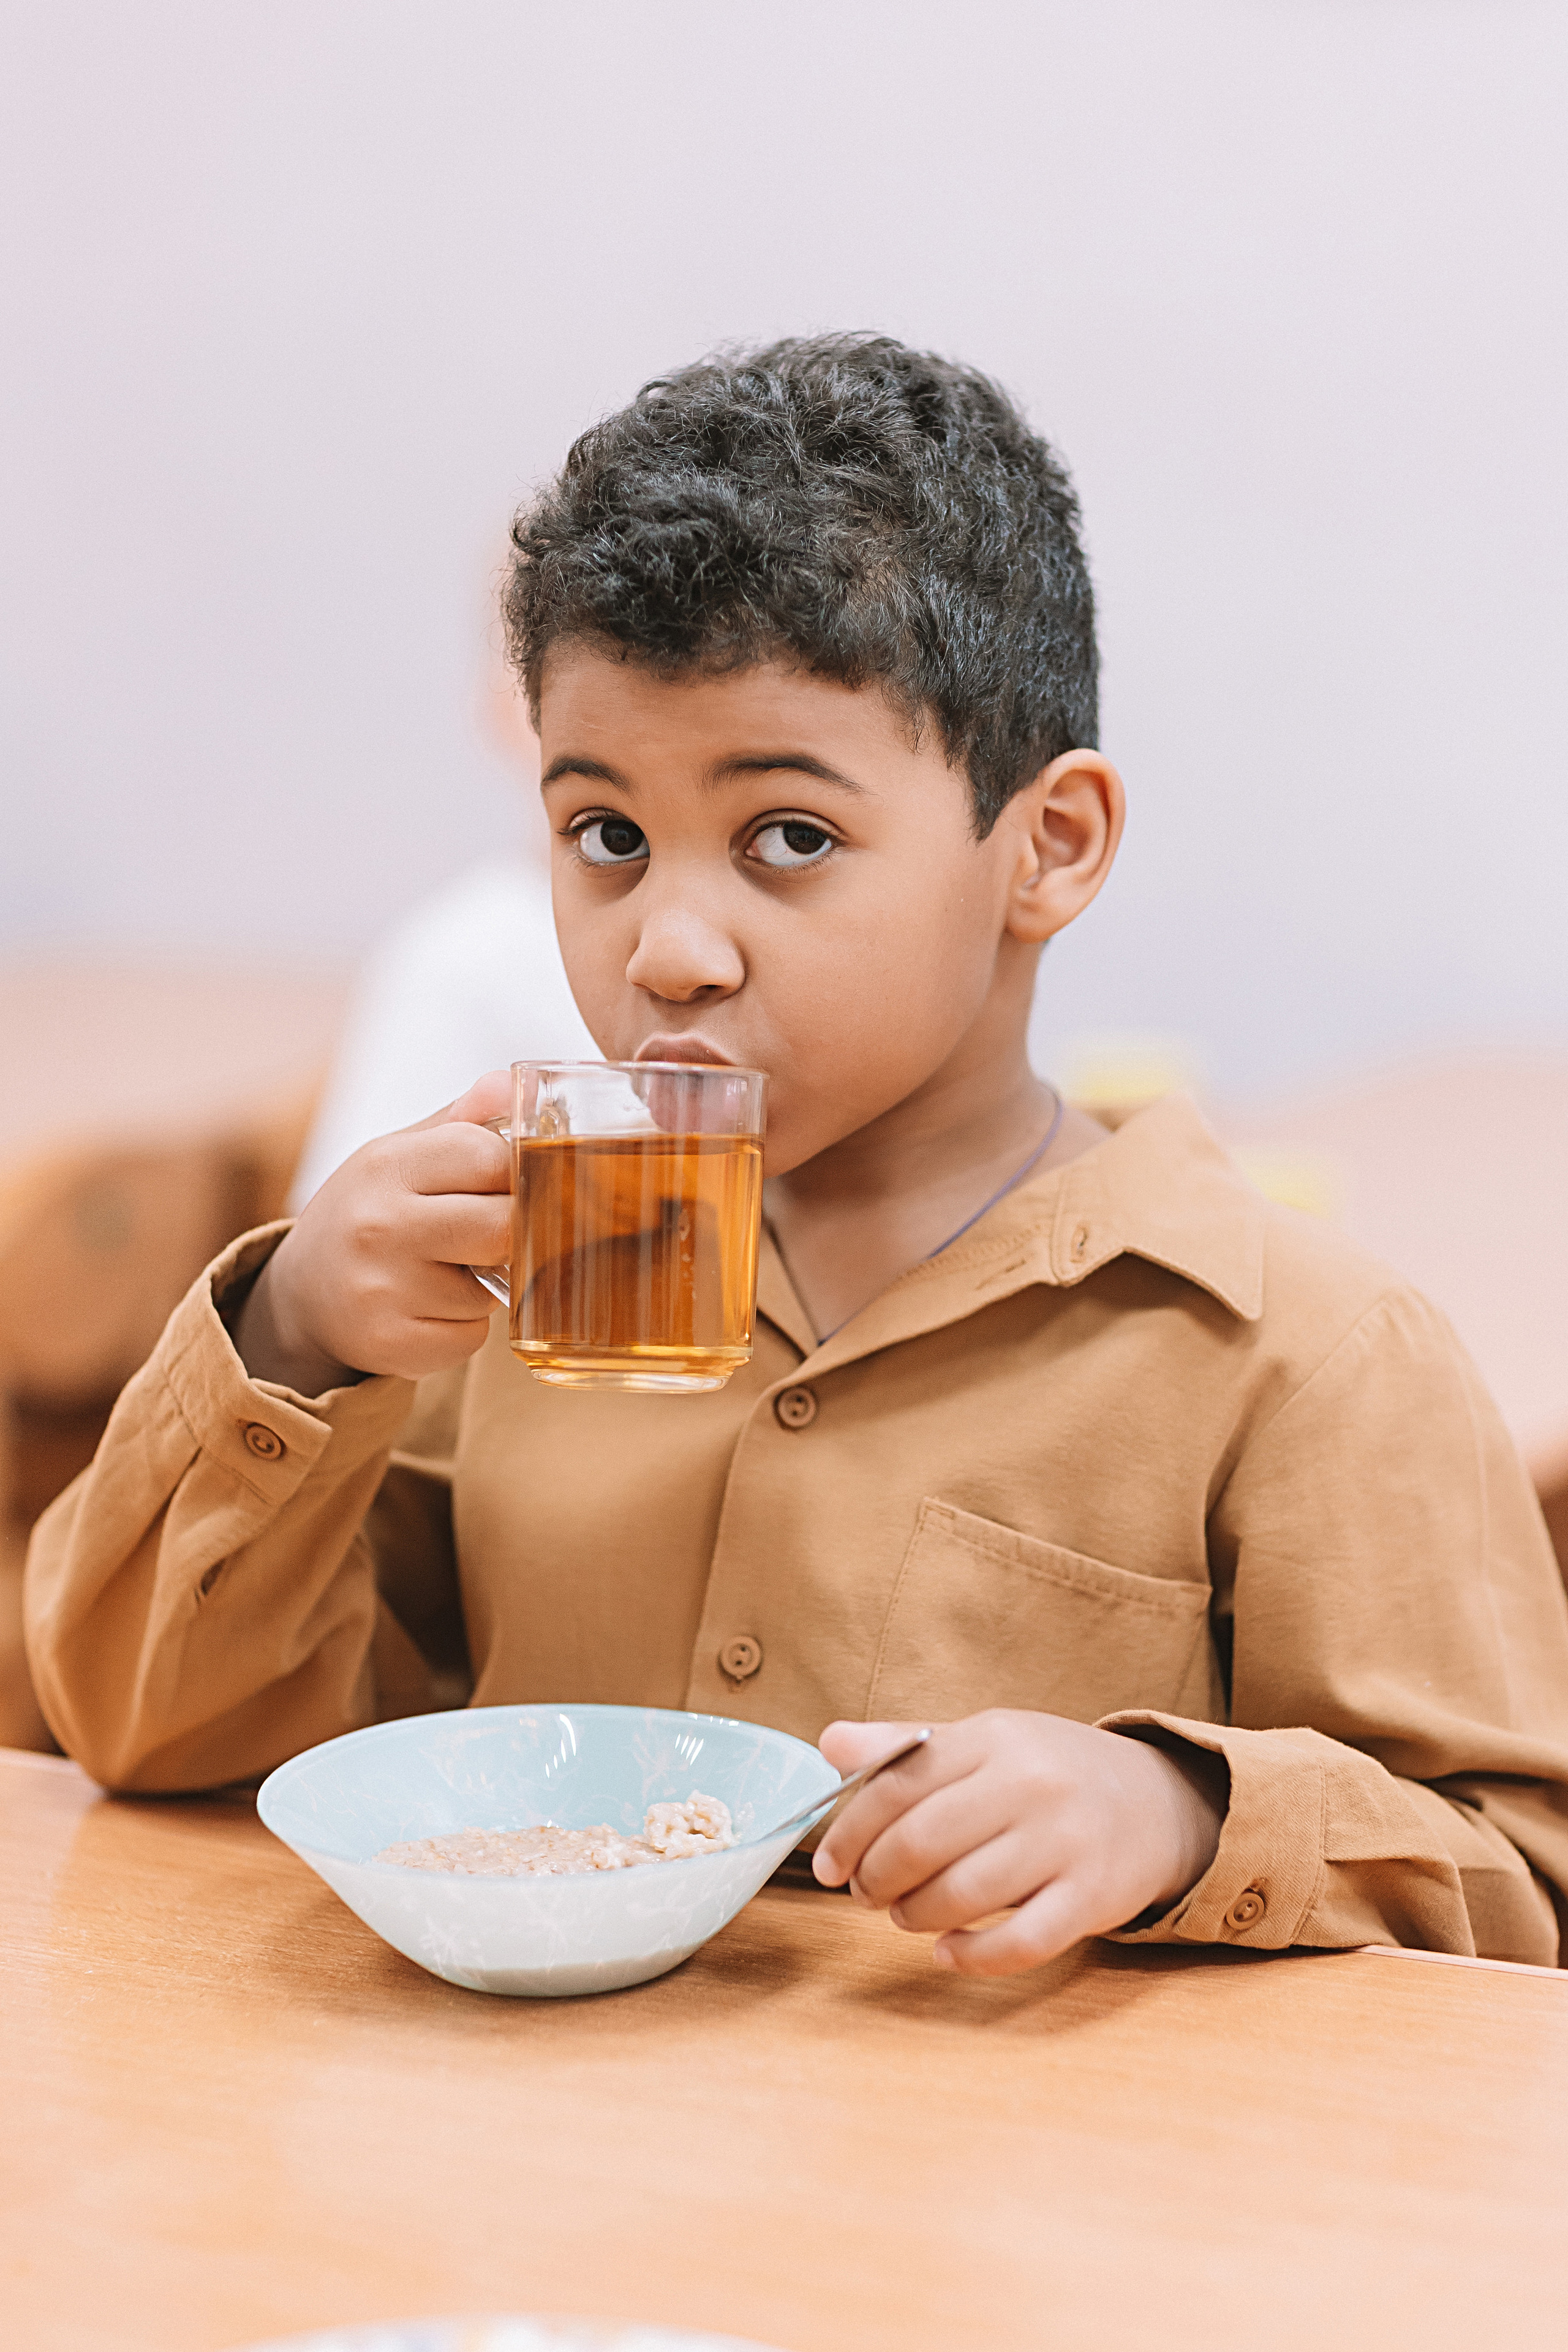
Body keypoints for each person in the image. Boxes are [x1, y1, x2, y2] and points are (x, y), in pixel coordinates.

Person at [26, 336, 1568, 1977]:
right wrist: (295, 1344)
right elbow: (150, 1738)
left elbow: (1522, 1891)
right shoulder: (520, 1300)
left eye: (791, 839)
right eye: (605, 836)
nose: (672, 948)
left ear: (1048, 848)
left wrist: (1181, 1813)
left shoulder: (1301, 1359)